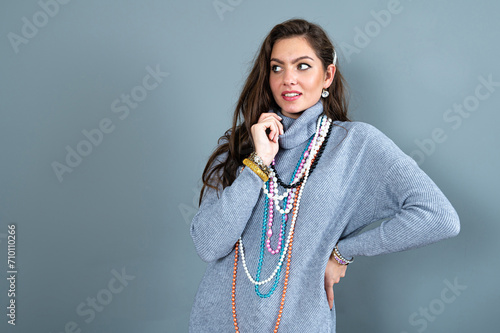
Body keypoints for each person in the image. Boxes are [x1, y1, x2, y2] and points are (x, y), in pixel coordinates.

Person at [189, 18, 460, 333]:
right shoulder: (242, 147)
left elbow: (439, 217)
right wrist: (259, 162)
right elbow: (209, 245)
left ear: (327, 75)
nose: (288, 79)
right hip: (219, 323)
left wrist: (344, 252)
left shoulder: (354, 145)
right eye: (277, 68)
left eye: (303, 66)